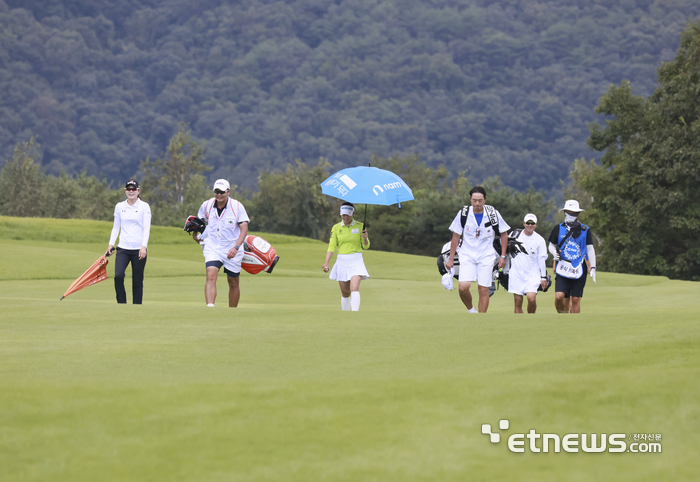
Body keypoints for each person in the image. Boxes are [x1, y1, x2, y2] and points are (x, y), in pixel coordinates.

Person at [446, 186, 510, 313]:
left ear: (485, 199)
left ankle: (481, 318)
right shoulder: (463, 214)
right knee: (463, 287)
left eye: (480, 200)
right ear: (470, 199)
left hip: (486, 255)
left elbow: (504, 234)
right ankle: (471, 310)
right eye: (474, 200)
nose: (477, 203)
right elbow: (456, 236)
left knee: (483, 288)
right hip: (467, 254)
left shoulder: (493, 214)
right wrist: (451, 258)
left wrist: (503, 256)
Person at [191, 179, 250, 307]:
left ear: (228, 192)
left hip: (233, 248)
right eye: (216, 191)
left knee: (233, 282)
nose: (219, 195)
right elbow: (199, 221)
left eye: (222, 192)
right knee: (210, 275)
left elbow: (244, 229)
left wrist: (236, 247)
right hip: (213, 246)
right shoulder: (206, 205)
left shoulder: (237, 206)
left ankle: (232, 312)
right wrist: (195, 233)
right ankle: (210, 308)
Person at [106, 179, 151, 304]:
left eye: (133, 189)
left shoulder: (144, 206)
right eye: (128, 189)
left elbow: (147, 228)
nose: (131, 191)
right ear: (125, 191)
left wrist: (144, 246)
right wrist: (111, 244)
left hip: (138, 249)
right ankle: (122, 304)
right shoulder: (120, 206)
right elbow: (116, 227)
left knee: (137, 280)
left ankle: (137, 307)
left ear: (138, 191)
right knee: (118, 276)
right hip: (123, 248)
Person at [548, 200, 597, 314]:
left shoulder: (585, 229)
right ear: (565, 212)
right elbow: (551, 245)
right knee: (559, 296)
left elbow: (590, 249)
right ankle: (562, 316)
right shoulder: (558, 228)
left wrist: (593, 268)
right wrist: (554, 253)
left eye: (574, 212)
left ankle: (574, 323)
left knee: (575, 299)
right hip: (563, 265)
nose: (572, 214)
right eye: (569, 212)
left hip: (579, 266)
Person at [322, 202, 370, 311]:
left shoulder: (360, 226)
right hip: (342, 261)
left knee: (354, 288)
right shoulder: (336, 228)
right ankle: (346, 315)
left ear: (353, 213)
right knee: (345, 292)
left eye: (348, 215)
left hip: (356, 260)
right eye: (343, 215)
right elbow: (332, 246)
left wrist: (365, 238)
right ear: (340, 214)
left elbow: (366, 247)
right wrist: (326, 262)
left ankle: (355, 313)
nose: (345, 217)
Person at [507, 214, 548, 313]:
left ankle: (530, 318)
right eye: (528, 223)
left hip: (532, 274)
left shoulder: (540, 240)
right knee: (517, 302)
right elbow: (506, 250)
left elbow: (542, 260)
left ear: (536, 225)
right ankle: (519, 323)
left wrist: (543, 277)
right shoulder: (514, 235)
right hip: (516, 273)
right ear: (524, 224)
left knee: (531, 298)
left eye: (532, 223)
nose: (530, 225)